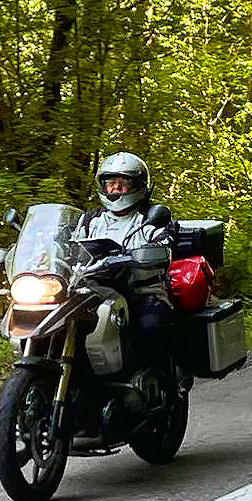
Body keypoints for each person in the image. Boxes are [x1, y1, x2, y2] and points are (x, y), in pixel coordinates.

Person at [73, 152, 172, 366]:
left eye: (122, 183)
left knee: (150, 327)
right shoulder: (90, 219)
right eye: (111, 183)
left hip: (141, 292)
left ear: (137, 186)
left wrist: (146, 255)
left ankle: (158, 382)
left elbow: (165, 248)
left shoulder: (152, 218)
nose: (116, 189)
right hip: (94, 292)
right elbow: (69, 245)